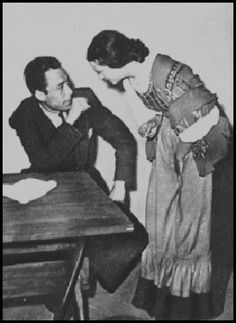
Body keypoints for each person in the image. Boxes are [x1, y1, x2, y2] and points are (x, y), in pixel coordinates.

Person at [87, 30, 233, 320]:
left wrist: (183, 140)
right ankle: (162, 294)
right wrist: (153, 122)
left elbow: (210, 114)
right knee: (160, 214)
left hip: (198, 145)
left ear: (113, 60)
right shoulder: (131, 78)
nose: (101, 77)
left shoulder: (166, 69)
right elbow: (158, 108)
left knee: (191, 224)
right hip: (171, 137)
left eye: (100, 70)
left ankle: (187, 303)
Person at [9, 56, 148, 310]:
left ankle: (79, 276)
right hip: (46, 185)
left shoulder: (86, 99)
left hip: (84, 182)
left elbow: (124, 140)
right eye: (60, 87)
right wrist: (71, 122)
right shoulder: (25, 114)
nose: (70, 92)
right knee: (55, 243)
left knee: (132, 235)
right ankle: (63, 286)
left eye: (68, 83)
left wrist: (120, 184)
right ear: (40, 94)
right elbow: (43, 162)